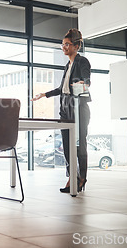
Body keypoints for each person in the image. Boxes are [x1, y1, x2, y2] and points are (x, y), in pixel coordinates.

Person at [32, 28, 91, 193]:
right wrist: (44, 94)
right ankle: (73, 177)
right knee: (66, 146)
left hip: (78, 106)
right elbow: (61, 88)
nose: (64, 47)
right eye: (62, 45)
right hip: (65, 107)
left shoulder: (82, 61)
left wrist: (81, 84)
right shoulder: (68, 64)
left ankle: (81, 178)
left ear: (76, 46)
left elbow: (86, 80)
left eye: (67, 44)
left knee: (79, 146)